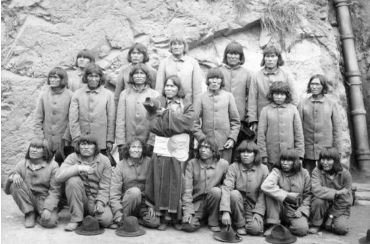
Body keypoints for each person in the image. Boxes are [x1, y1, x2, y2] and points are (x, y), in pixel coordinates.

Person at [145, 75, 195, 230]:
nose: (169, 89)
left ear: (179, 88)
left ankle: (175, 217)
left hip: (178, 147)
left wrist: (166, 114)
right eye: (167, 86)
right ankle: (162, 217)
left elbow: (188, 123)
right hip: (161, 146)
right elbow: (154, 124)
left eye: (173, 86)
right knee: (160, 179)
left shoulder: (186, 103)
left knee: (176, 180)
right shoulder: (157, 101)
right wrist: (171, 122)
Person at [55, 134, 113, 231]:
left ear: (95, 146)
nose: (86, 147)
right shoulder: (72, 157)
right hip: (81, 200)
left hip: (96, 199)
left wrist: (101, 202)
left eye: (90, 144)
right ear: (78, 146)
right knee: (73, 181)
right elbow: (58, 176)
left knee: (106, 221)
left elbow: (106, 184)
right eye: (83, 144)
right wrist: (78, 168)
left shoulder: (104, 160)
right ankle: (76, 219)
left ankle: (89, 217)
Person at [4, 139, 61, 228]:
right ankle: (29, 213)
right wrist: (13, 177)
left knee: (50, 223)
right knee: (15, 183)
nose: (33, 150)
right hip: (28, 197)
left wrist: (48, 208)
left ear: (45, 151)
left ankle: (38, 215)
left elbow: (55, 190)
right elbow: (7, 191)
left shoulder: (53, 166)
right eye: (32, 147)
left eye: (38, 148)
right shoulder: (21, 164)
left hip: (44, 199)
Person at [220, 140, 269, 236]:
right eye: (243, 152)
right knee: (234, 194)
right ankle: (239, 224)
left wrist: (259, 212)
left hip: (253, 206)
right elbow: (226, 188)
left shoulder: (263, 169)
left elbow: (264, 193)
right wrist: (225, 211)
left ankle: (251, 221)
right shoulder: (234, 166)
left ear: (255, 154)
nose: (245, 155)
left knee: (255, 230)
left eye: (249, 152)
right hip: (237, 204)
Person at [193, 67, 240, 164]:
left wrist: (231, 139)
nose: (214, 81)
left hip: (225, 143)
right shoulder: (201, 97)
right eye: (211, 78)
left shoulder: (228, 96)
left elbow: (235, 121)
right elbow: (194, 122)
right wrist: (202, 139)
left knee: (224, 170)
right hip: (206, 145)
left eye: (217, 78)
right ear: (207, 80)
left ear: (222, 81)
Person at [181, 137, 229, 233]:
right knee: (188, 227)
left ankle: (213, 221)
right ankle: (201, 219)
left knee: (216, 191)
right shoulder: (192, 163)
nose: (202, 150)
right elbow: (187, 189)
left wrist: (225, 211)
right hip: (197, 203)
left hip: (215, 203)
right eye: (201, 147)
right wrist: (188, 211)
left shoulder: (223, 164)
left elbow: (228, 187)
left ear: (214, 150)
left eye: (207, 148)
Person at [248, 44, 299, 132]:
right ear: (264, 58)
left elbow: (294, 99)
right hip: (263, 118)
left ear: (278, 58)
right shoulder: (256, 76)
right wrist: (253, 120)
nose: (270, 59)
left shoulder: (286, 75)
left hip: (283, 118)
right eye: (267, 56)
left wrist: (289, 114)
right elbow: (252, 100)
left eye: (273, 56)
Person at [261, 148, 312, 237]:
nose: (284, 163)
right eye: (283, 160)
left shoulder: (304, 173)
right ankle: (273, 225)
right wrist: (286, 195)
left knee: (302, 230)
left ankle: (285, 228)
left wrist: (302, 210)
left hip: (295, 209)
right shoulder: (276, 171)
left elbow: (308, 194)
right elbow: (266, 186)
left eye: (289, 160)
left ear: (295, 162)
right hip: (279, 208)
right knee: (270, 193)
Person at [109, 138, 158, 229]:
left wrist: (152, 205)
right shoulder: (121, 165)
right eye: (133, 147)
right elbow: (114, 190)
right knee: (135, 192)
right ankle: (123, 218)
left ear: (143, 149)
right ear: (128, 149)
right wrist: (117, 211)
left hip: (144, 203)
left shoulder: (149, 162)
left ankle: (136, 219)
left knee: (155, 223)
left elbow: (154, 185)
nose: (136, 150)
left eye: (139, 147)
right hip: (127, 202)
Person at [69, 63, 115, 157]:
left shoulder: (108, 94)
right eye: (90, 76)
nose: (93, 79)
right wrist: (76, 137)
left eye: (96, 76)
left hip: (101, 140)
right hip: (82, 139)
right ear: (86, 77)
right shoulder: (77, 94)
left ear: (100, 77)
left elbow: (111, 119)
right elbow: (73, 118)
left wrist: (109, 140)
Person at [298, 74, 341, 175]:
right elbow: (298, 128)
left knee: (326, 176)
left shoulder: (331, 104)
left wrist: (338, 150)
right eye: (312, 84)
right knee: (308, 176)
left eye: (317, 84)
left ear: (323, 86)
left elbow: (337, 129)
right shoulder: (303, 103)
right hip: (308, 149)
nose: (314, 87)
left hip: (326, 149)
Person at [257, 81, 304, 171]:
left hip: (290, 156)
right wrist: (263, 155)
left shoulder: (293, 109)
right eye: (276, 94)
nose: (279, 97)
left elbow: (299, 134)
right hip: (271, 156)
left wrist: (299, 155)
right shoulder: (265, 110)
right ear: (271, 95)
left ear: (287, 96)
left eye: (282, 94)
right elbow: (261, 135)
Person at [115, 63, 159, 156]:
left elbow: (156, 121)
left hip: (146, 141)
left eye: (142, 73)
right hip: (128, 140)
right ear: (132, 76)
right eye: (136, 73)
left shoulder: (154, 94)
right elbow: (120, 119)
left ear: (147, 76)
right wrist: (120, 141)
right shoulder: (125, 94)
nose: (139, 76)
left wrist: (151, 142)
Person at [33, 67, 73, 165]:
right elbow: (38, 118)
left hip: (64, 142)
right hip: (47, 141)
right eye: (50, 77)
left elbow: (72, 120)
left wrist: (66, 138)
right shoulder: (44, 95)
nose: (52, 80)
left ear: (62, 79)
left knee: (63, 167)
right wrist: (41, 139)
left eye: (55, 77)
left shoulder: (71, 95)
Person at [309, 147, 352, 235]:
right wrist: (336, 192)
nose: (325, 163)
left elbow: (346, 199)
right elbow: (316, 190)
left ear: (336, 160)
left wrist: (331, 217)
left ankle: (329, 221)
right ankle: (316, 223)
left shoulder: (345, 174)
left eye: (328, 160)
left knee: (341, 229)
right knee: (318, 200)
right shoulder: (316, 171)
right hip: (321, 207)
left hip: (339, 208)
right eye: (322, 159)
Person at [155, 36, 202, 112]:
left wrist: (195, 113)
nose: (177, 47)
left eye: (180, 44)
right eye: (174, 44)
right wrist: (159, 108)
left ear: (184, 46)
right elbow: (159, 89)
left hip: (187, 107)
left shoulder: (193, 63)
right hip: (167, 107)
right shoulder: (164, 63)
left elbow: (197, 92)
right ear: (171, 46)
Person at [114, 43, 157, 107]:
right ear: (130, 55)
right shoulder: (124, 71)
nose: (135, 56)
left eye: (139, 53)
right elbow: (117, 94)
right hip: (129, 105)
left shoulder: (152, 71)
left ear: (144, 55)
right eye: (133, 53)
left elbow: (155, 92)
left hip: (146, 106)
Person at [219, 41, 251, 125]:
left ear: (240, 56)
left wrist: (248, 115)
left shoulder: (247, 74)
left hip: (241, 117)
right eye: (230, 53)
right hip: (220, 115)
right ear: (226, 55)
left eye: (236, 54)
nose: (233, 57)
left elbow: (251, 97)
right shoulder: (218, 71)